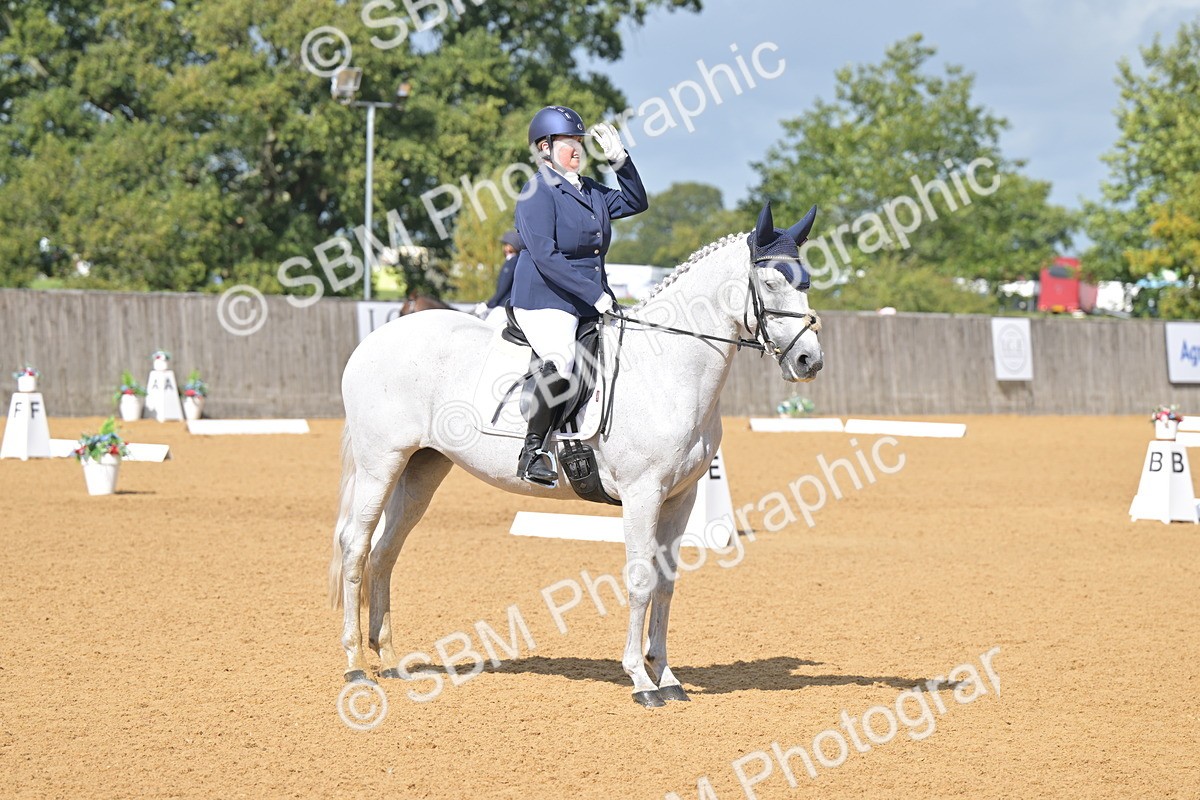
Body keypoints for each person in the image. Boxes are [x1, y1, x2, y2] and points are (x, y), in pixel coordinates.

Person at [509, 105, 649, 485]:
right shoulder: (536, 190)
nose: (577, 149)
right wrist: (594, 294)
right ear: (544, 149)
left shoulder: (588, 190)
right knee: (562, 359)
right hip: (545, 297)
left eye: (579, 143)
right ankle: (533, 450)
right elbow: (544, 255)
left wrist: (621, 162)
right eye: (568, 143)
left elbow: (636, 202)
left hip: (589, 297)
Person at [475, 230, 523, 327]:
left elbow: (503, 288)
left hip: (504, 306)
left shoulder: (512, 262)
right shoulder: (511, 261)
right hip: (503, 304)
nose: (504, 248)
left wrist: (488, 304)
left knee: (486, 327)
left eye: (506, 244)